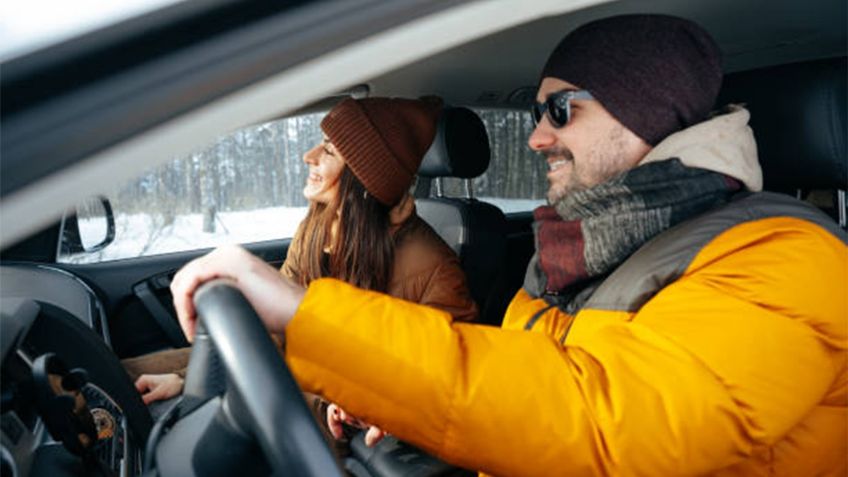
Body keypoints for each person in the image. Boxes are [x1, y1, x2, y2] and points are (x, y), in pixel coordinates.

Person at [169, 14, 847, 477]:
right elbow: (528, 390)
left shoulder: (788, 257)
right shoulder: (573, 250)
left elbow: (604, 423)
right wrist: (416, 420)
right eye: (535, 114)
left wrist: (302, 310)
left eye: (562, 110)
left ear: (648, 110)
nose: (536, 138)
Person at [126, 98, 478, 433]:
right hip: (295, 375)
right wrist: (192, 380)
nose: (308, 156)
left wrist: (356, 403)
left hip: (342, 414)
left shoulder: (436, 266)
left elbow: (448, 379)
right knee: (125, 375)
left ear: (364, 177)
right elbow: (275, 331)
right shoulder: (316, 227)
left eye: (328, 150)